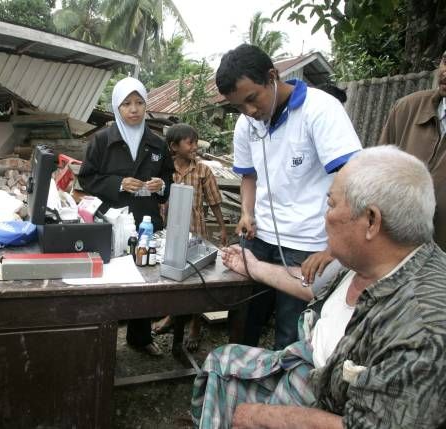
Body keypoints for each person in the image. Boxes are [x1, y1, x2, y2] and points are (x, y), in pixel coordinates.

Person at [191, 146, 446, 429]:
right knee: (220, 362)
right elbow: (312, 288)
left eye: (331, 204)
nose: (325, 216)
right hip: (306, 366)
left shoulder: (422, 330)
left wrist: (261, 416)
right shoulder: (375, 260)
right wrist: (252, 266)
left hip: (324, 402)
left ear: (371, 221)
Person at [216, 44, 362, 349]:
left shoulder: (320, 110)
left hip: (308, 244)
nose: (249, 111)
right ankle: (241, 375)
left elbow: (353, 179)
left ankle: (283, 390)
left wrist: (334, 249)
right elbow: (248, 175)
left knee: (293, 330)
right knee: (244, 316)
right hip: (260, 236)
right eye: (239, 106)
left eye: (252, 99)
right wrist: (246, 212)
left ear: (272, 76)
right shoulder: (247, 124)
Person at [78, 76, 174, 356]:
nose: (133, 109)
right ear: (117, 108)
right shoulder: (102, 140)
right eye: (127, 104)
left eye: (139, 103)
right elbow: (87, 178)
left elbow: (167, 179)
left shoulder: (156, 143)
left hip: (147, 222)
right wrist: (118, 184)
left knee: (145, 278)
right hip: (112, 221)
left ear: (146, 106)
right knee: (109, 279)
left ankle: (140, 337)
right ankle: (102, 339)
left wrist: (161, 186)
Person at [152, 123, 228, 351]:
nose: (195, 147)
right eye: (190, 143)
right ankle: (171, 315)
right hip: (170, 232)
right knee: (171, 276)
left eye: (196, 142)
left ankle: (195, 324)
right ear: (174, 146)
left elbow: (214, 201)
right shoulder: (166, 170)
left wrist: (223, 228)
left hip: (197, 232)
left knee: (196, 281)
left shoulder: (203, 170)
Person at [378, 48, 446, 251]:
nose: (445, 71)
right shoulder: (407, 108)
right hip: (395, 250)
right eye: (445, 60)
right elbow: (376, 174)